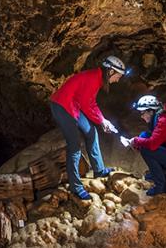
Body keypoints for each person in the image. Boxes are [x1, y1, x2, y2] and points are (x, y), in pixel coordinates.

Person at [50, 55, 128, 200]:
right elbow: (87, 105)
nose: (117, 80)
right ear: (110, 72)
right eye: (118, 76)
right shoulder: (94, 78)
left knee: (92, 133)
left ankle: (99, 170)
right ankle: (76, 187)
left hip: (73, 105)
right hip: (61, 106)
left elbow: (90, 103)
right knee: (74, 147)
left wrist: (103, 120)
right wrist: (102, 121)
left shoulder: (97, 78)